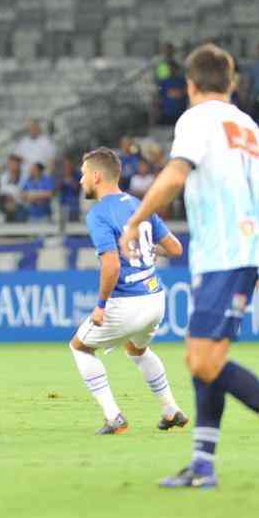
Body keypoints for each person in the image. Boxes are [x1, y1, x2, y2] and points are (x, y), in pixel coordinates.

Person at [120, 43, 259, 488]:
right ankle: (203, 465)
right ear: (232, 83)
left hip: (225, 258)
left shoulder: (196, 120)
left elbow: (177, 175)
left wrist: (136, 220)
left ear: (190, 85)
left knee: (203, 361)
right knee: (204, 359)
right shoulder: (247, 125)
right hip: (234, 256)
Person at [70, 148, 186, 435]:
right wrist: (146, 249)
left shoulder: (98, 214)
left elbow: (111, 265)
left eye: (83, 174)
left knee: (80, 347)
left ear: (96, 176)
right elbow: (175, 249)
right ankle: (170, 410)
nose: (81, 180)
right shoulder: (138, 203)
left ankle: (114, 417)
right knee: (137, 348)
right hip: (155, 297)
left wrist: (100, 304)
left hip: (127, 302)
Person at [0, 154, 26, 222]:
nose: (12, 166)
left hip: (21, 206)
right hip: (6, 205)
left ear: (19, 164)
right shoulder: (4, 177)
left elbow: (23, 194)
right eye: (10, 164)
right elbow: (2, 192)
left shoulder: (25, 177)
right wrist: (10, 198)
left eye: (14, 164)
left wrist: (14, 198)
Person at [57, 157, 82, 222]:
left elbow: (76, 188)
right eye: (65, 166)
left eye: (69, 165)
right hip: (63, 204)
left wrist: (69, 178)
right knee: (63, 224)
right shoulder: (61, 175)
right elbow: (57, 188)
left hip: (74, 205)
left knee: (74, 224)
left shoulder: (77, 175)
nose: (67, 167)